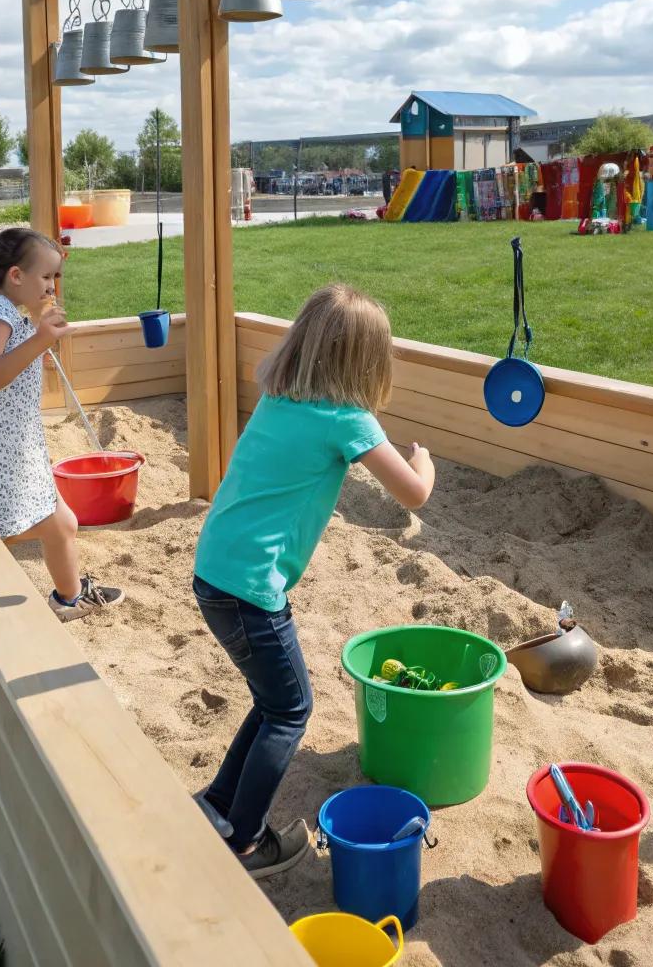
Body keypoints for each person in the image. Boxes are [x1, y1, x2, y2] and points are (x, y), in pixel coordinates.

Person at [191, 282, 436, 879]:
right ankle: (244, 843)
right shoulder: (346, 419)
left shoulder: (279, 396)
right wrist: (424, 458)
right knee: (291, 709)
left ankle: (219, 807)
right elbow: (414, 493)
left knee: (273, 699)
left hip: (214, 574)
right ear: (366, 365)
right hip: (250, 592)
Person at [0, 227, 123, 622]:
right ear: (16, 276)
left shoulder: (7, 310)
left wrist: (39, 336)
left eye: (54, 277)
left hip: (13, 447)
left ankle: (69, 599)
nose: (51, 285)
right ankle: (56, 601)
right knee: (19, 530)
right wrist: (40, 340)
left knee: (63, 524)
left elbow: (9, 364)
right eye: (46, 276)